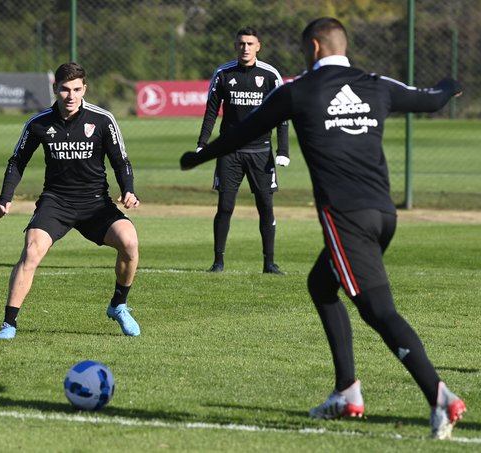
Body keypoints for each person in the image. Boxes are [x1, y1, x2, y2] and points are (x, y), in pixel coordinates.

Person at [181, 17, 466, 439]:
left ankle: (439, 395)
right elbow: (433, 100)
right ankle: (347, 392)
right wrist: (449, 83)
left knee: (378, 311)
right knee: (320, 284)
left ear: (313, 47)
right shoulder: (375, 84)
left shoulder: (298, 92)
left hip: (345, 218)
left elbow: (243, 131)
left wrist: (197, 158)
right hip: (383, 214)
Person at [0, 62, 141, 339]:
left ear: (84, 89)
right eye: (64, 89)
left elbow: (121, 160)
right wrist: (6, 198)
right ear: (55, 89)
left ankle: (119, 306)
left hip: (96, 203)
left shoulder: (102, 120)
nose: (71, 96)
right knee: (32, 251)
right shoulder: (39, 124)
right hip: (56, 202)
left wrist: (128, 190)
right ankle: (9, 324)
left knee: (130, 242)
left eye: (76, 89)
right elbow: (17, 162)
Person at [196, 26, 290, 274]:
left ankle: (269, 263)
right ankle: (218, 262)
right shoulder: (223, 73)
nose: (245, 48)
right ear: (235, 46)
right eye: (241, 44)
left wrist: (283, 151)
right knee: (225, 206)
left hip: (261, 152)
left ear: (258, 46)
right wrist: (202, 144)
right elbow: (211, 112)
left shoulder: (270, 75)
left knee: (265, 206)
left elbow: (282, 115)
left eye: (250, 44)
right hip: (230, 152)